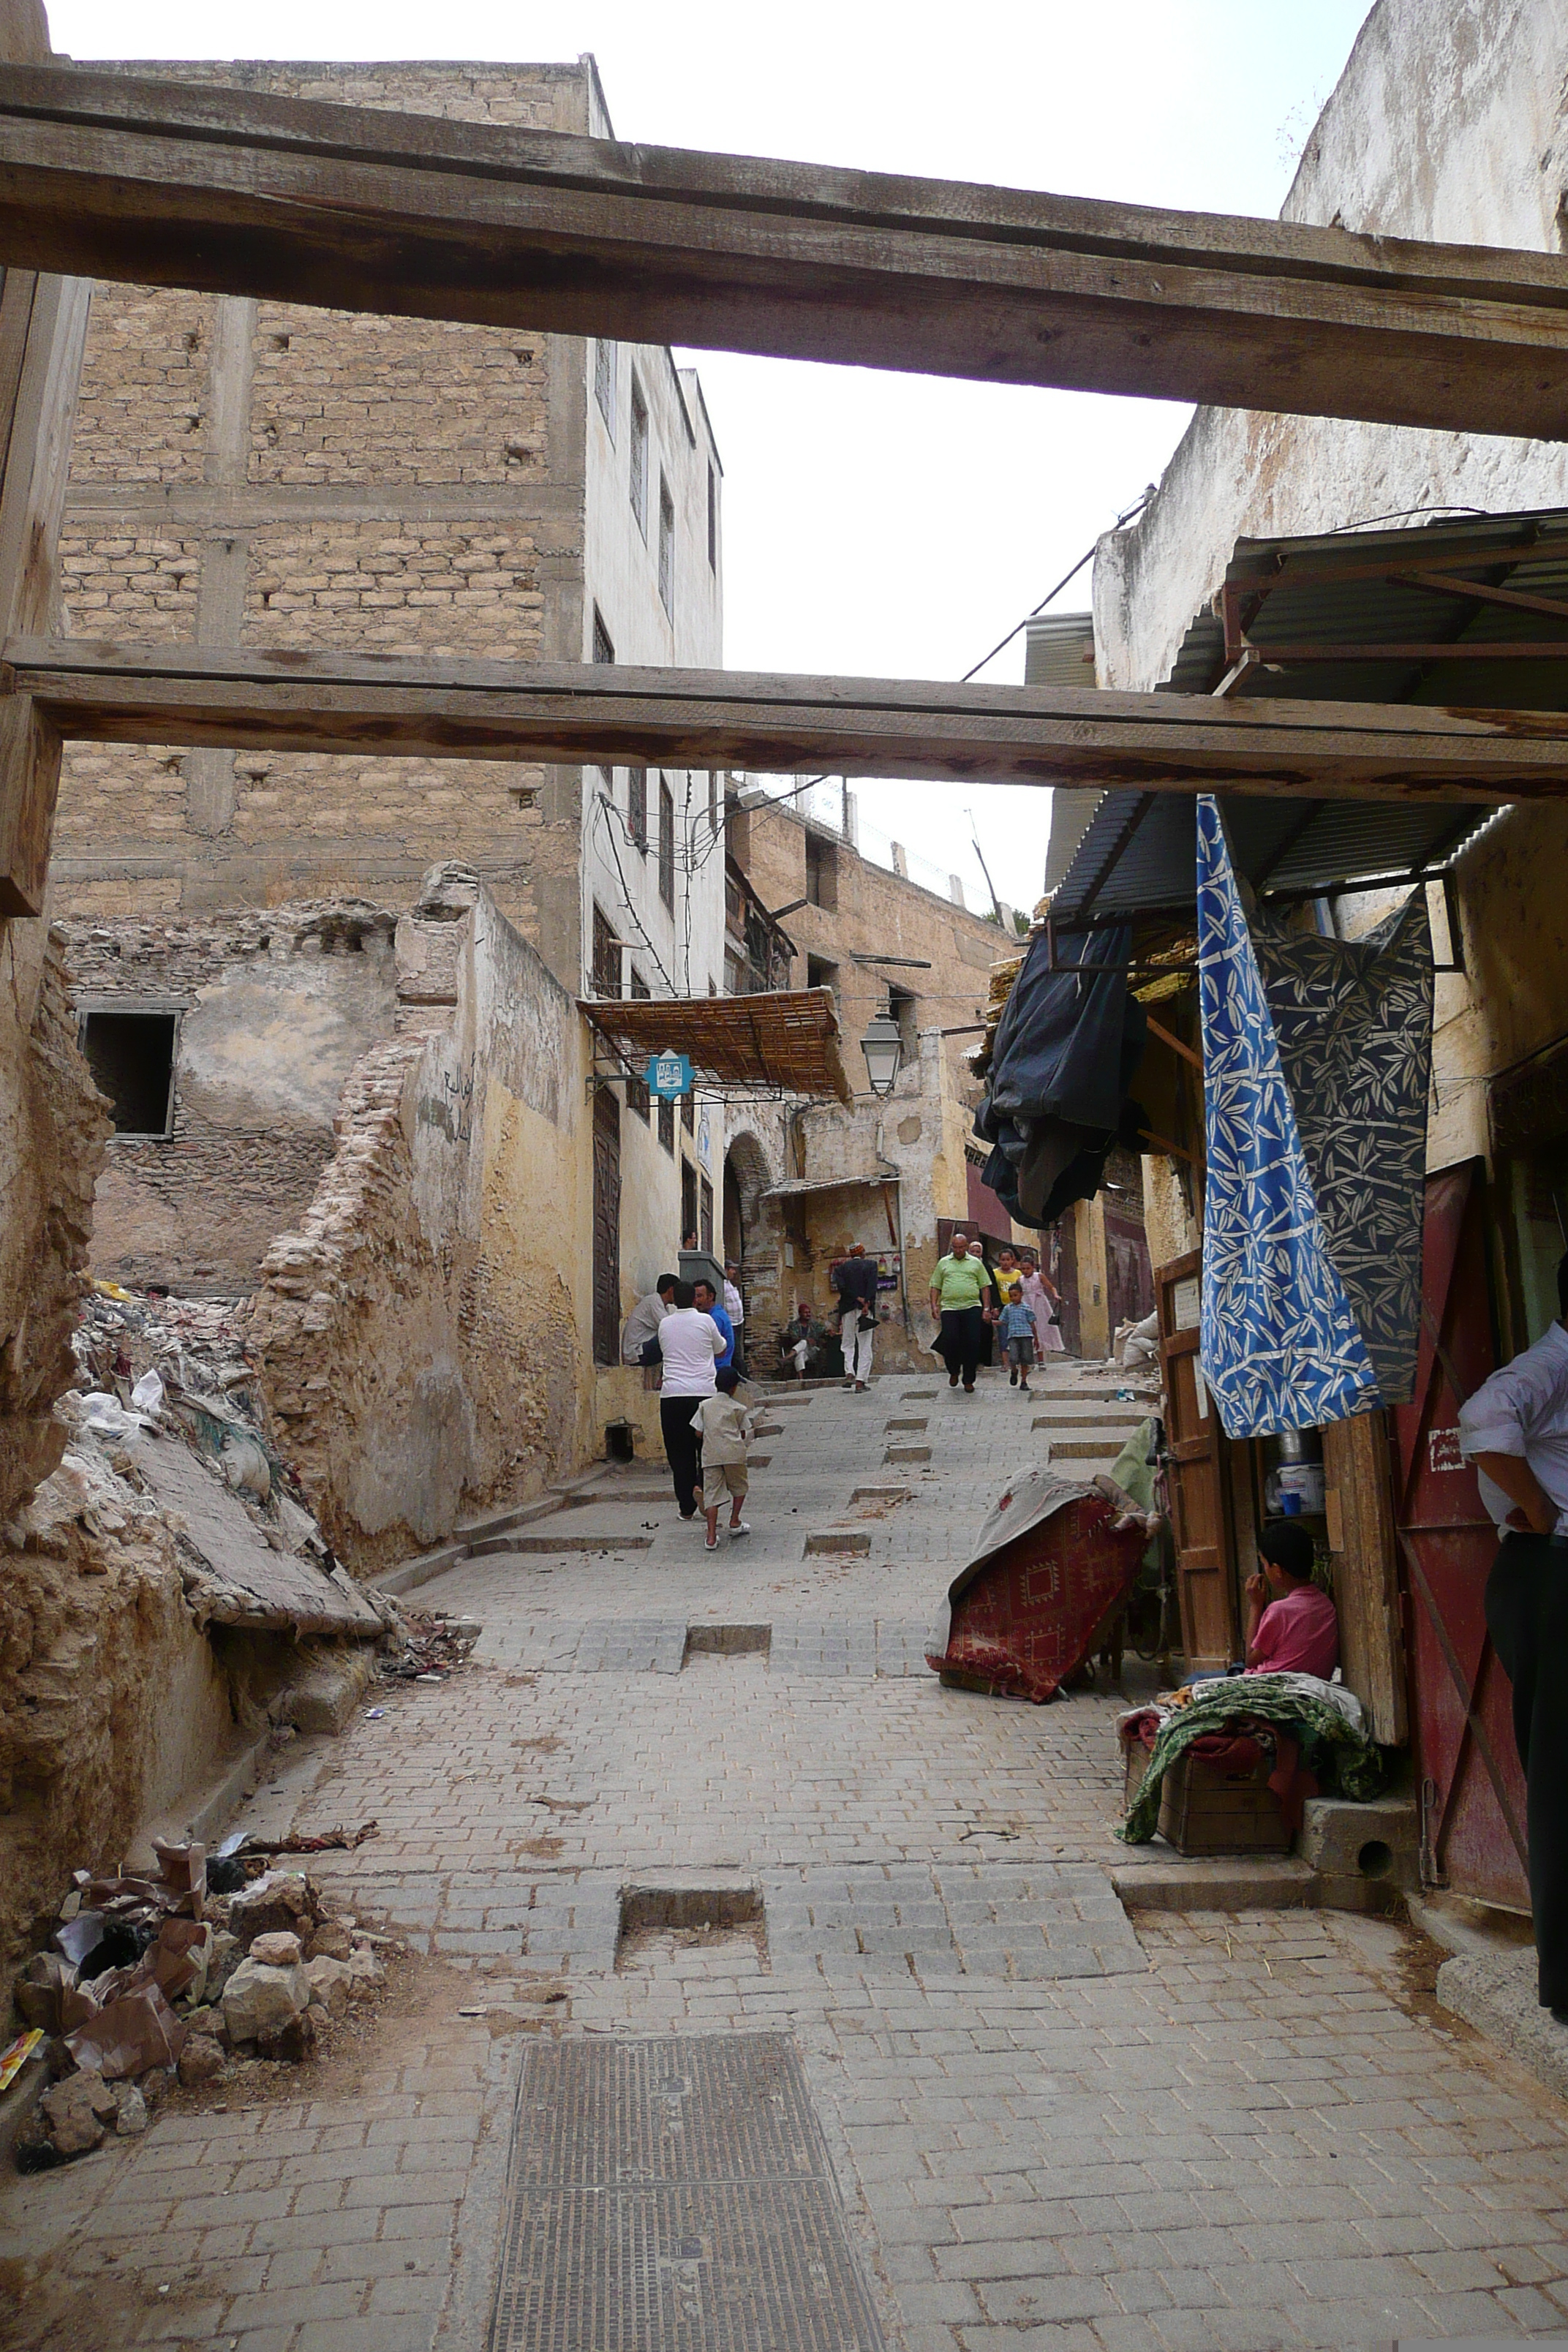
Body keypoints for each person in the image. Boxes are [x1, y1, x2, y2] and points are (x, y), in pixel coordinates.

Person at [1458, 1248, 1568, 2018]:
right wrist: (1539, 1509)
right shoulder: (1549, 1365)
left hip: (1549, 1568)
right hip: (1549, 1571)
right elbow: (1479, 1420)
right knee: (1561, 1777)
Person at [655, 1279, 723, 1518]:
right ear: (695, 1299)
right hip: (704, 1394)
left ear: (674, 1299)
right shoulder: (706, 1321)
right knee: (706, 1450)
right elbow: (721, 1348)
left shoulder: (665, 1324)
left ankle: (686, 1507)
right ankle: (702, 1488)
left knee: (679, 1453)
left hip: (673, 1395)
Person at [1241, 1519, 1339, 1677]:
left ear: (1277, 1570)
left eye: (1265, 1564)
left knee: (1196, 1679)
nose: (1265, 1570)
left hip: (1271, 1682)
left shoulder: (1279, 1611)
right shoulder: (1325, 1604)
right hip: (1310, 1681)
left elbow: (1251, 1659)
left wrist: (1255, 1606)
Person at [696, 1368, 759, 1550]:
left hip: (711, 1454)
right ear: (733, 1388)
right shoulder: (739, 1408)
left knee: (712, 1495)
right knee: (739, 1487)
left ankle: (711, 1537)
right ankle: (734, 1521)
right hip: (734, 1453)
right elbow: (744, 1431)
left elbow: (698, 1432)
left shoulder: (704, 1406)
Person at [928, 1230, 997, 1393]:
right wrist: (934, 1305)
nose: (958, 1250)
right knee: (950, 1340)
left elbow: (985, 1287)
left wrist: (986, 1308)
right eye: (955, 1247)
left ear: (966, 1246)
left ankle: (968, 1380)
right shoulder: (943, 1263)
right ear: (952, 1247)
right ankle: (953, 1370)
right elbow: (935, 1285)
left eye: (961, 1247)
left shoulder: (976, 1263)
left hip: (972, 1307)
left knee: (972, 1344)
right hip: (950, 1308)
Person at [829, 1240, 879, 1391]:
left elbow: (843, 1289)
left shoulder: (841, 1269)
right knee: (864, 1345)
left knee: (848, 1343)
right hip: (865, 1309)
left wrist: (856, 1299)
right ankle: (860, 1381)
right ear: (862, 1253)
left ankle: (849, 1372)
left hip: (847, 1309)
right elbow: (872, 1286)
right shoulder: (871, 1265)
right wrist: (865, 1304)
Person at [622, 1273, 677, 1368]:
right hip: (636, 1353)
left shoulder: (662, 1306)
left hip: (641, 1351)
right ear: (671, 1290)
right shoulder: (653, 1301)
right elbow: (669, 1329)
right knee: (672, 1337)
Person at [1019, 1247, 1066, 1356]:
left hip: (1039, 1304)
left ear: (1033, 1267)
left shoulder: (1039, 1276)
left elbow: (1051, 1287)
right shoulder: (1020, 1279)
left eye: (1028, 1268)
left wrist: (1056, 1295)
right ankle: (1028, 1358)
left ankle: (1041, 1359)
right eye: (1023, 1269)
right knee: (1028, 1329)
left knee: (1041, 1328)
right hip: (1026, 1304)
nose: (1025, 1271)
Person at [998, 1281, 1039, 1394]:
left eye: (1015, 1295)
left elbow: (1032, 1323)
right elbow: (1002, 1321)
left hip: (1026, 1335)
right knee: (1013, 1358)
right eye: (1011, 1296)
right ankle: (1014, 1371)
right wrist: (991, 1322)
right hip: (1013, 1336)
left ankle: (1024, 1381)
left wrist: (1036, 1338)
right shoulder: (1007, 1308)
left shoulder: (1027, 1308)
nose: (1013, 1298)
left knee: (1025, 1359)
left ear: (1021, 1294)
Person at [692, 1277, 734, 1373]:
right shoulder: (718, 1314)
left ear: (710, 1296)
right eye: (694, 1297)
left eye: (699, 1296)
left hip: (716, 1371)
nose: (696, 1301)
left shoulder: (715, 1318)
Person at [780, 1300, 818, 1380]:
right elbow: (793, 1338)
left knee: (804, 1342)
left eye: (809, 1312)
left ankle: (786, 1358)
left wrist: (829, 1331)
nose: (808, 1314)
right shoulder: (794, 1325)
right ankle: (801, 1380)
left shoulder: (814, 1325)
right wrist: (806, 1339)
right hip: (801, 1351)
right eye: (805, 1313)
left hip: (811, 1350)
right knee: (800, 1354)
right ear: (800, 1314)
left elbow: (824, 1329)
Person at [723, 1260, 747, 1377]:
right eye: (732, 1269)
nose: (735, 1272)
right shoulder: (722, 1285)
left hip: (738, 1323)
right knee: (735, 1352)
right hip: (731, 1324)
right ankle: (745, 1377)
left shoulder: (729, 1283)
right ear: (726, 1269)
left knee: (737, 1351)